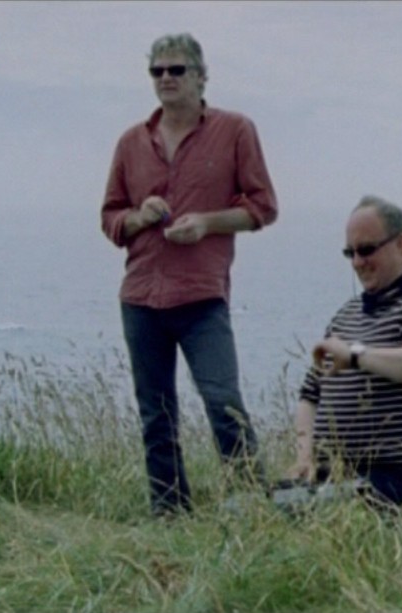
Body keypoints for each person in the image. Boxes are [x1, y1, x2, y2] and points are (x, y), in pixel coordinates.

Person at [100, 33, 278, 516]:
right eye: (157, 71)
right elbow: (111, 217)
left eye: (176, 69)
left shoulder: (235, 130)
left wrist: (207, 224)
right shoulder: (131, 142)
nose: (166, 78)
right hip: (141, 296)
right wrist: (138, 216)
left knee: (223, 402)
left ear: (201, 76)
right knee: (155, 414)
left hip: (202, 297)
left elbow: (263, 207)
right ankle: (170, 514)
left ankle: (252, 507)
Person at [286, 196, 402, 531]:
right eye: (349, 253)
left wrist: (356, 356)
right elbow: (310, 394)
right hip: (334, 475)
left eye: (366, 250)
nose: (357, 262)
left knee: (328, 527)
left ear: (401, 245)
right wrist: (305, 456)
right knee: (251, 515)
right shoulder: (346, 314)